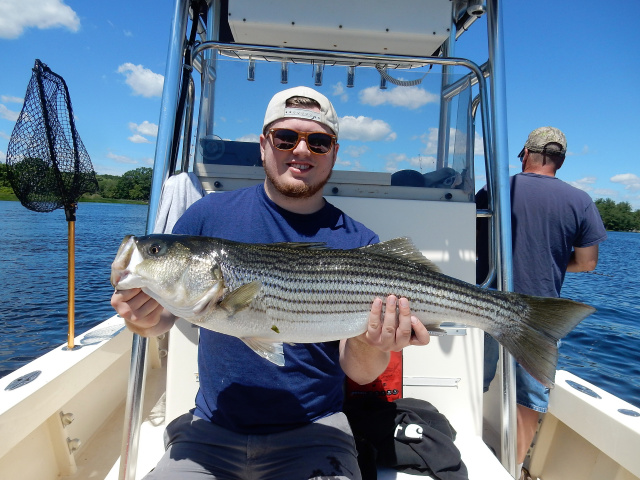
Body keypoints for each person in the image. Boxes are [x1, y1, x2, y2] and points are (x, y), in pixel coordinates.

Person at [111, 86, 431, 480]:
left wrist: (373, 338)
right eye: (285, 138)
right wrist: (139, 318)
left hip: (317, 433)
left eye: (318, 141)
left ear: (333, 152)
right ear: (264, 145)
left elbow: (362, 373)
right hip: (211, 431)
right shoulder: (207, 216)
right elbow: (161, 320)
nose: (301, 150)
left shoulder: (359, 241)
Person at [476, 126, 607, 478]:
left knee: (476, 380)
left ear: (525, 154)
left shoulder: (497, 190)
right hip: (541, 315)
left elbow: (471, 244)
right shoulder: (580, 200)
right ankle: (512, 467)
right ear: (561, 161)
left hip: (485, 303)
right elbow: (587, 262)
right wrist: (548, 258)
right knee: (530, 398)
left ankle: (469, 454)